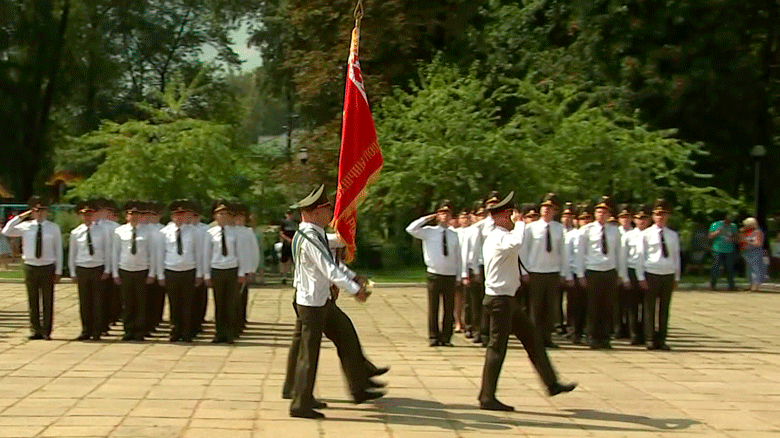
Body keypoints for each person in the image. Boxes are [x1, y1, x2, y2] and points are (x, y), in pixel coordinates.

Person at [478, 191, 576, 412]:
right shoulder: (497, 236)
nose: (513, 217)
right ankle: (487, 396)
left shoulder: (502, 235)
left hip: (508, 299)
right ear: (500, 216)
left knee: (533, 339)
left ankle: (551, 383)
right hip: (499, 300)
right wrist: (521, 224)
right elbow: (517, 243)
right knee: (497, 349)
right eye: (509, 214)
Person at [286, 185, 370, 419]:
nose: (330, 214)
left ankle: (306, 396)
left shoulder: (315, 234)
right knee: (308, 354)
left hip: (318, 300)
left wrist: (351, 274)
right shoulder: (309, 237)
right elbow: (329, 269)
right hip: (311, 303)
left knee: (333, 339)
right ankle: (300, 403)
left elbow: (333, 253)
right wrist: (355, 289)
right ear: (313, 212)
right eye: (326, 209)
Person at [2, 196, 63, 340]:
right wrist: (21, 216)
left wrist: (59, 270)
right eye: (36, 211)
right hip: (31, 266)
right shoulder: (26, 226)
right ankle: (35, 330)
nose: (39, 213)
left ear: (46, 211)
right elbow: (6, 231)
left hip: (47, 266)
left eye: (42, 210)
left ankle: (47, 331)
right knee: (32, 300)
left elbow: (58, 249)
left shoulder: (53, 228)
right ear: (32, 212)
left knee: (47, 301)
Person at [406, 200, 463, 347]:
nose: (444, 215)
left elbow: (458, 257)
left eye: (447, 212)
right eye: (442, 212)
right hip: (434, 273)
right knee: (434, 307)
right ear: (437, 214)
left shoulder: (454, 234)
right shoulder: (429, 232)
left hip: (450, 274)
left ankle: (446, 337)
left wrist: (459, 275)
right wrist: (427, 218)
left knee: (449, 308)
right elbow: (410, 229)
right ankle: (433, 337)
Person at [520, 193, 572, 348]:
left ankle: (547, 337)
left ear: (555, 211)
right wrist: (524, 272)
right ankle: (534, 339)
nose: (546, 210)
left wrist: (564, 273)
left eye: (550, 208)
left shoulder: (559, 229)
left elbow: (564, 252)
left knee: (550, 308)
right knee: (535, 308)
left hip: (553, 272)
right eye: (544, 207)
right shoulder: (531, 228)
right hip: (536, 272)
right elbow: (524, 251)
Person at [576, 196, 624, 349]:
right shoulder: (586, 230)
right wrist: (580, 274)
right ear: (595, 213)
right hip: (593, 271)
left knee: (607, 307)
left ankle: (604, 337)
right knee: (593, 307)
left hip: (609, 271)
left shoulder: (615, 231)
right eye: (599, 211)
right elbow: (580, 254)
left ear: (609, 214)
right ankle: (591, 336)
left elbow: (619, 254)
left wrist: (620, 274)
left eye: (605, 211)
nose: (602, 214)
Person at [637, 199, 680, 351]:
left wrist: (676, 277)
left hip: (667, 273)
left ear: (668, 216)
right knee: (649, 308)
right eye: (657, 214)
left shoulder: (672, 235)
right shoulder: (646, 234)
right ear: (653, 216)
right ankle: (649, 338)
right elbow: (640, 256)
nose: (660, 217)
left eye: (663, 214)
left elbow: (676, 257)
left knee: (664, 308)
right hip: (652, 273)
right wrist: (640, 276)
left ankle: (662, 339)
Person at [157, 200, 202, 342]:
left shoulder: (194, 232)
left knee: (188, 303)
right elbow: (160, 254)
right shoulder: (164, 233)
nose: (179, 218)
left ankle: (187, 331)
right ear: (171, 216)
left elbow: (199, 254)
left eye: (182, 214)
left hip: (189, 270)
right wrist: (160, 274)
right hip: (171, 270)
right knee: (174, 303)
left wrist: (200, 274)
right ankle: (175, 330)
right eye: (176, 215)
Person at [203, 200, 246, 344]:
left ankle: (229, 333)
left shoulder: (235, 232)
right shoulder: (210, 233)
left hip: (232, 269)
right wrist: (207, 275)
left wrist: (242, 272)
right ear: (215, 216)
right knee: (219, 303)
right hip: (217, 269)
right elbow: (206, 255)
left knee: (231, 303)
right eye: (220, 214)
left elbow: (240, 253)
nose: (223, 216)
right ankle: (219, 333)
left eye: (226, 214)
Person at [113, 201, 156, 341]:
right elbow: (115, 253)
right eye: (131, 214)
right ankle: (128, 330)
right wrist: (115, 272)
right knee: (127, 302)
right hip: (125, 269)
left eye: (137, 214)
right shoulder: (119, 232)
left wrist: (152, 273)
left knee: (141, 302)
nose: (134, 216)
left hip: (142, 270)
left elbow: (152, 253)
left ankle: (140, 331)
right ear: (126, 216)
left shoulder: (148, 232)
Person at [69, 200, 111, 341]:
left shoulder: (102, 231)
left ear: (94, 215)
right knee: (85, 301)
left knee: (98, 302)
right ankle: (86, 330)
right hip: (82, 268)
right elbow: (72, 254)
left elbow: (107, 251)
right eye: (84, 215)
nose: (87, 217)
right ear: (80, 216)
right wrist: (72, 272)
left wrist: (108, 268)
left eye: (90, 214)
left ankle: (97, 331)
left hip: (98, 268)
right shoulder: (76, 233)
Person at [620, 204, 651, 345]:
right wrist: (625, 277)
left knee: (647, 306)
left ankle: (646, 333)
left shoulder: (652, 234)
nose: (642, 221)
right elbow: (623, 258)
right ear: (634, 219)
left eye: (644, 218)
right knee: (632, 306)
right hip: (632, 271)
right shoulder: (628, 236)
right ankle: (633, 334)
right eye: (639, 218)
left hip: (649, 271)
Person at [614, 204, 634, 339]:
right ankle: (617, 328)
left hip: (631, 269)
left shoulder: (636, 233)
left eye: (627, 216)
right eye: (622, 216)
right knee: (616, 302)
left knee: (630, 302)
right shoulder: (614, 232)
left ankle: (630, 328)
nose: (625, 219)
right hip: (616, 270)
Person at [708, 213, 739, 291]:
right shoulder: (715, 224)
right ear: (724, 218)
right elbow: (709, 236)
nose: (728, 222)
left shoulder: (733, 226)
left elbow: (736, 237)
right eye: (727, 219)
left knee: (730, 268)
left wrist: (732, 239)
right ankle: (713, 285)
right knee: (715, 267)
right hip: (717, 249)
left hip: (729, 250)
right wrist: (716, 232)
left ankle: (731, 285)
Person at [740, 217, 766, 292]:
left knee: (756, 269)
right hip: (747, 252)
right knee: (749, 269)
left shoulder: (757, 232)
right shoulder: (747, 232)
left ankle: (756, 286)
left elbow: (758, 243)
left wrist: (747, 241)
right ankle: (750, 285)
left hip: (755, 252)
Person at [279, 210, 298, 285]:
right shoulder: (283, 223)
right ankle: (284, 277)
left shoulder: (296, 223)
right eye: (288, 214)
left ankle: (294, 277)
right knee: (285, 261)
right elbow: (281, 233)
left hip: (294, 244)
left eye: (291, 214)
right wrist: (287, 239)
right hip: (286, 244)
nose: (290, 216)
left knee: (294, 261)